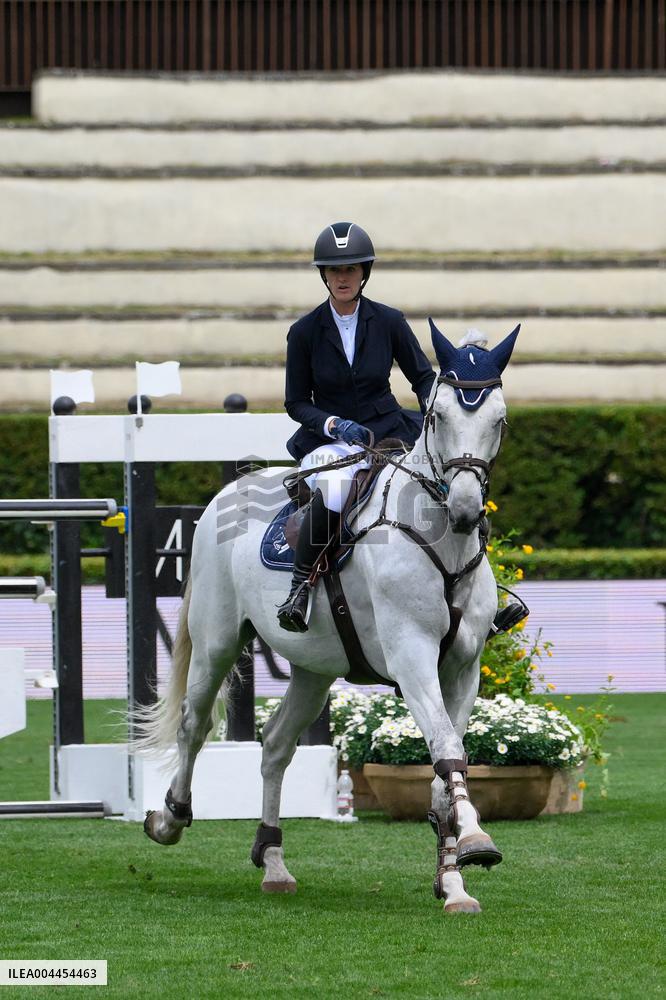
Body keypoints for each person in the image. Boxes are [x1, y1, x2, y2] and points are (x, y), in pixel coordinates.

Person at [277, 221, 436, 632]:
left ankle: (469, 589)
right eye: (334, 270)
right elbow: (295, 402)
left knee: (441, 480)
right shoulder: (305, 332)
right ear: (324, 275)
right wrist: (332, 423)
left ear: (364, 272)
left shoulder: (389, 321)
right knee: (334, 489)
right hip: (330, 438)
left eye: (350, 269)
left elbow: (421, 377)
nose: (342, 277)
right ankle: (299, 587)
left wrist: (435, 407)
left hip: (387, 429)